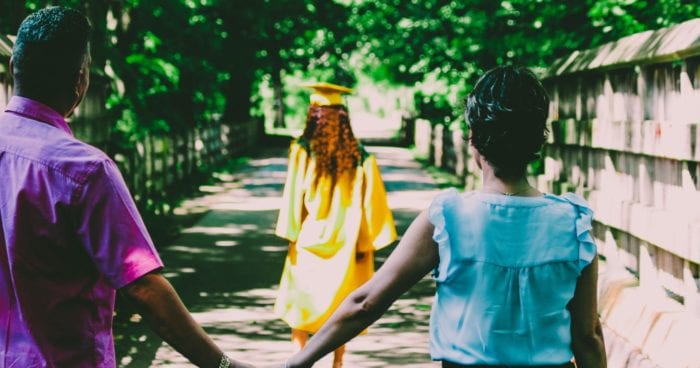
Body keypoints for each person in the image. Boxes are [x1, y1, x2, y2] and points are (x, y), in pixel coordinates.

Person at [276, 66, 607, 368]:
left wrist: (298, 362)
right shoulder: (573, 223)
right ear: (538, 140)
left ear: (473, 139)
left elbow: (366, 303)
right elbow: (588, 335)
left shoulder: (448, 218)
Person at [0, 7, 250, 368]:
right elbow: (144, 288)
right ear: (80, 79)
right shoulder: (84, 170)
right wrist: (224, 365)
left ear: (13, 69)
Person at [274, 82, 397, 367]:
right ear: (344, 117)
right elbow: (372, 204)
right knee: (340, 308)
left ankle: (298, 358)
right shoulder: (360, 156)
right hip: (346, 243)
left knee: (301, 308)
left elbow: (293, 200)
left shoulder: (303, 150)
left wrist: (291, 233)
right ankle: (337, 362)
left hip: (309, 242)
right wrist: (366, 244)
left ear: (312, 115)